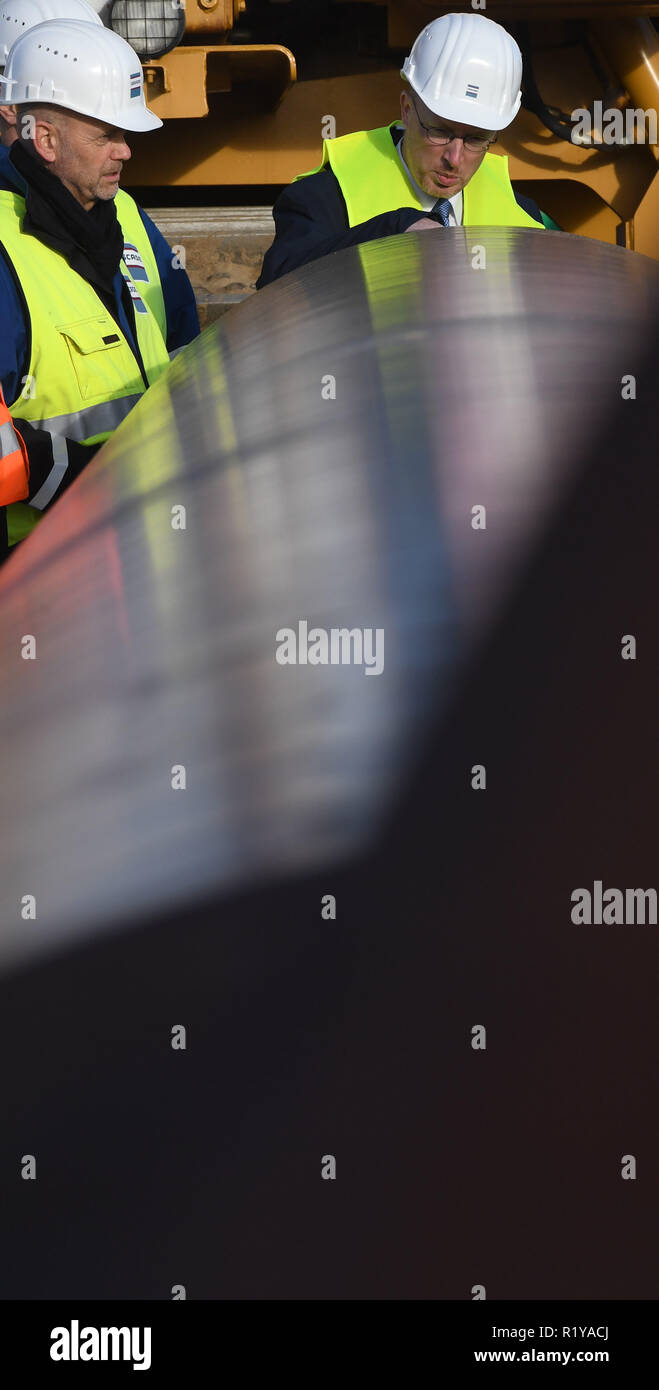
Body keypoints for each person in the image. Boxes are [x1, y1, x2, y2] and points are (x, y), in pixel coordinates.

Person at [0, 17, 199, 561]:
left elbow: (178, 349)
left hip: (138, 538)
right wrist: (91, 483)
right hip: (38, 565)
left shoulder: (115, 218)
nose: (125, 152)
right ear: (44, 138)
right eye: (106, 135)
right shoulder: (4, 250)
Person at [258, 11, 560, 288]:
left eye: (475, 139)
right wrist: (393, 233)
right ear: (406, 109)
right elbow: (277, 286)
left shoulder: (523, 216)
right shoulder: (327, 195)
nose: (454, 160)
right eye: (440, 131)